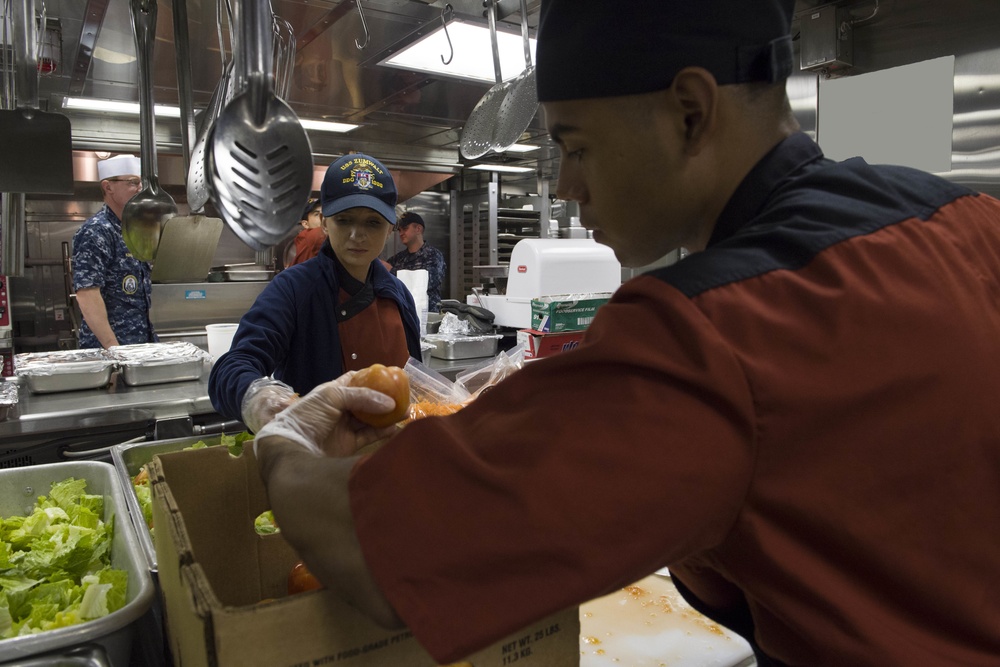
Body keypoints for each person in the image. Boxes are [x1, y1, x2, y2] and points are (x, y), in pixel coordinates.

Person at [253, 1, 1000, 665]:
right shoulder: (970, 219)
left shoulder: (709, 333)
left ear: (690, 111)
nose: (567, 186)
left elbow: (367, 543)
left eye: (576, 146)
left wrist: (285, 440)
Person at [209, 153, 423, 433]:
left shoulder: (399, 295)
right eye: (344, 220)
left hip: (393, 457)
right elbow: (234, 365)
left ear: (390, 228)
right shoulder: (294, 289)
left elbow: (416, 384)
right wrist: (258, 397)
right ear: (324, 223)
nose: (357, 234)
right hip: (317, 460)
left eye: (372, 222)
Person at [72, 154, 156, 349]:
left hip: (138, 346)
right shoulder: (97, 231)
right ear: (108, 187)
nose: (139, 189)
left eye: (140, 183)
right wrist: (115, 350)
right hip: (109, 351)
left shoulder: (131, 230)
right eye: (132, 183)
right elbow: (87, 294)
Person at [385, 211, 447, 312]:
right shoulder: (398, 259)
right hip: (403, 313)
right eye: (399, 230)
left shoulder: (433, 255)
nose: (401, 233)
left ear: (418, 229)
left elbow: (427, 282)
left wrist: (392, 271)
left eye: (405, 229)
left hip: (427, 315)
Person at [286, 197, 326, 267]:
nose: (323, 217)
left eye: (325, 212)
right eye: (316, 214)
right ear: (305, 224)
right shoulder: (310, 236)